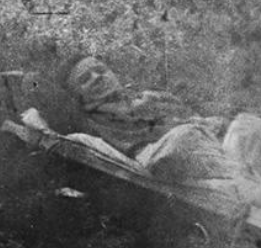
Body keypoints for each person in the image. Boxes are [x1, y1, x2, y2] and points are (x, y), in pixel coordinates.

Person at [61, 53, 261, 198]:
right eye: (85, 79)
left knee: (247, 124)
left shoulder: (145, 97)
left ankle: (248, 178)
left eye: (100, 70)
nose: (96, 77)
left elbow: (189, 115)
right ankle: (246, 182)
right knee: (185, 136)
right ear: (79, 96)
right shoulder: (92, 116)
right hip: (159, 152)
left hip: (199, 142)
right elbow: (151, 132)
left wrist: (207, 121)